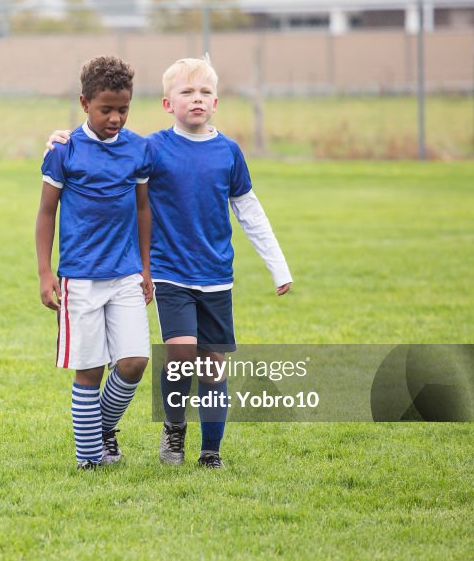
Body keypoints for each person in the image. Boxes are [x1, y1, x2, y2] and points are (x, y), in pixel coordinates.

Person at [45, 57, 292, 469]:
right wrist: (61, 139)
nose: (197, 100)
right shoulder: (152, 148)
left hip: (216, 277)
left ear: (216, 101)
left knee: (212, 366)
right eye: (187, 93)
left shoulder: (229, 153)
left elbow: (250, 211)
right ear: (166, 104)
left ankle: (210, 451)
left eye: (205, 93)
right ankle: (173, 431)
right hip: (168, 272)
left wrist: (278, 267)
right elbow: (103, 149)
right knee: (179, 355)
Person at [35, 55, 154, 470]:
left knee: (135, 361)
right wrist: (45, 272)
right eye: (107, 109)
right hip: (79, 279)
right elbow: (46, 212)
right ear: (85, 103)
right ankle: (90, 461)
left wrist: (145, 267)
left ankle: (100, 428)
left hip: (125, 274)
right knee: (89, 371)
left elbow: (143, 210)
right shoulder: (64, 151)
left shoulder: (138, 150)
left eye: (124, 109)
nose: (116, 118)